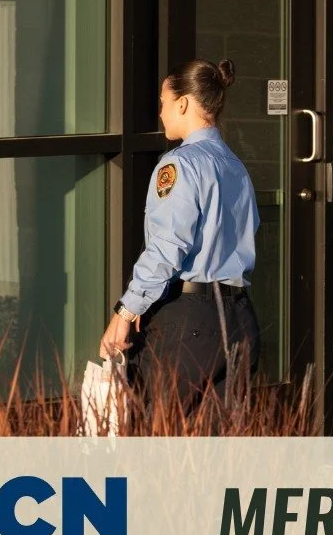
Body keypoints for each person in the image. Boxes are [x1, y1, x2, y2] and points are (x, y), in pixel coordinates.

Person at [99, 58, 260, 409]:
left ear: (183, 103)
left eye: (163, 102)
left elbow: (168, 246)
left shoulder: (180, 164)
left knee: (159, 440)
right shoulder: (235, 163)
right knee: (220, 450)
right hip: (239, 319)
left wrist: (126, 311)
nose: (160, 113)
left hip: (190, 320)